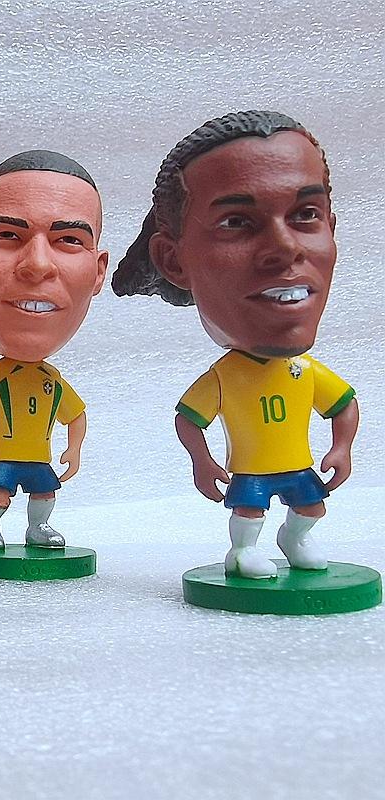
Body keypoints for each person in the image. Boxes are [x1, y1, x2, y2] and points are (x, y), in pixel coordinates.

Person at [112, 110, 358, 579]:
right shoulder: (226, 378)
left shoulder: (306, 372)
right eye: (237, 222)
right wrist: (202, 461)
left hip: (299, 467)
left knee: (312, 506)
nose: (286, 248)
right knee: (249, 513)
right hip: (249, 473)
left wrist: (342, 447)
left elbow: (343, 405)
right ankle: (244, 552)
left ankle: (294, 538)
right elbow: (190, 419)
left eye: (306, 214)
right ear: (173, 260)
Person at [0, 150, 108, 549]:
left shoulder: (51, 381)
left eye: (69, 240)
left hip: (39, 457)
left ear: (99, 271)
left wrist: (74, 448)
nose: (37, 265)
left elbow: (75, 414)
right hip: (3, 457)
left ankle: (38, 527)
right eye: (8, 235)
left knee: (45, 493)